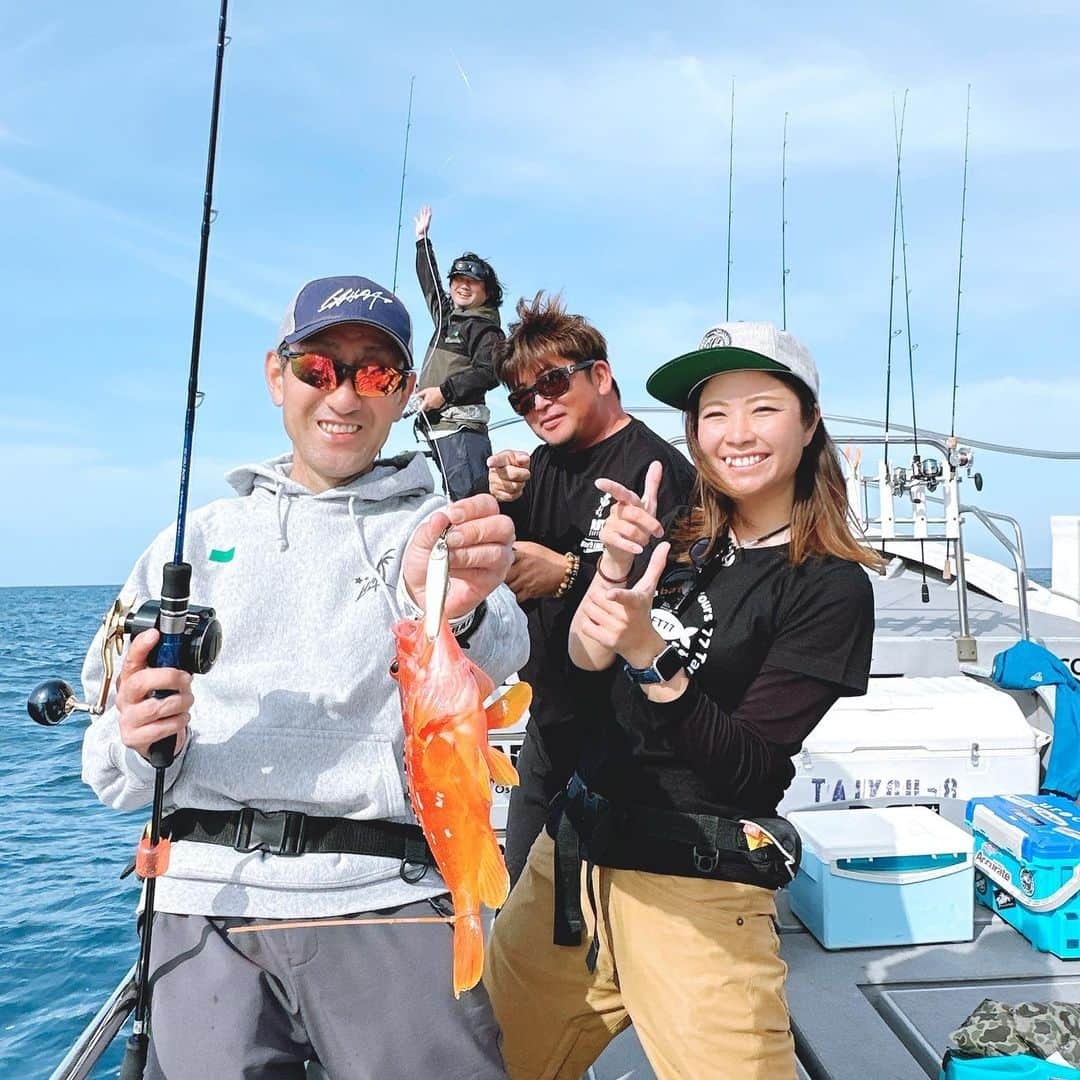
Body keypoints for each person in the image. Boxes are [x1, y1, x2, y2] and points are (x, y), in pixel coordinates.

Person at [81, 276, 528, 1080]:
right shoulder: (189, 542)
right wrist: (132, 735)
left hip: (385, 897)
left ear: (404, 397)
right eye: (319, 368)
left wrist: (456, 607)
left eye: (377, 374)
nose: (344, 397)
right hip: (204, 908)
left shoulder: (430, 528)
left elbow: (499, 650)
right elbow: (109, 767)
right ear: (275, 375)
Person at [484, 321, 881, 1080]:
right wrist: (607, 581)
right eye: (714, 414)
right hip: (566, 866)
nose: (736, 433)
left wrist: (648, 652)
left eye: (762, 408)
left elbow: (752, 772)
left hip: (694, 893)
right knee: (488, 1064)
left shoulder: (828, 586)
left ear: (809, 423)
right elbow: (583, 658)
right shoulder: (682, 535)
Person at [486, 291, 695, 885]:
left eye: (552, 383)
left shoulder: (659, 470)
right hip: (551, 723)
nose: (539, 405)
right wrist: (501, 500)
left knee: (606, 919)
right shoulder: (541, 465)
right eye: (523, 398)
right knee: (519, 901)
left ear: (600, 375)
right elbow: (503, 569)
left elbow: (677, 608)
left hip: (629, 739)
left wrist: (570, 574)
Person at [413, 204, 505, 500]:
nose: (463, 287)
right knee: (452, 503)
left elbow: (490, 372)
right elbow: (429, 284)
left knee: (469, 505)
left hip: (462, 430)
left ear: (487, 292)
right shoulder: (446, 319)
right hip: (438, 428)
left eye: (472, 282)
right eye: (458, 280)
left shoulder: (484, 327)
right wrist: (421, 241)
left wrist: (444, 391)